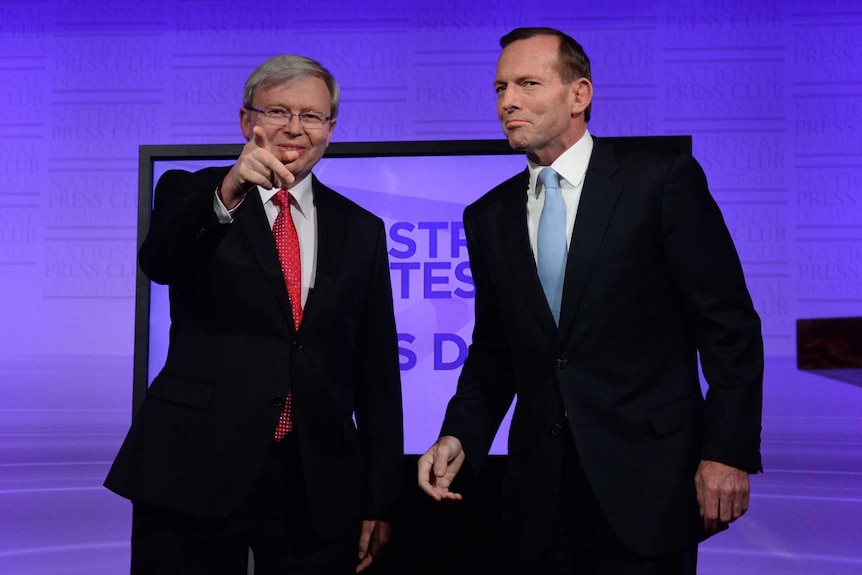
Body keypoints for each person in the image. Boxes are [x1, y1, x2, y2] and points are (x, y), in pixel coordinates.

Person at [418, 27, 763, 575]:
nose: (508, 101)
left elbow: (729, 328)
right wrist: (459, 433)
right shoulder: (488, 216)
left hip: (649, 483)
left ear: (579, 95)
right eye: (500, 87)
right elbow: (495, 351)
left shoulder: (661, 182)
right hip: (539, 493)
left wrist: (726, 452)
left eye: (528, 83)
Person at [106, 55, 404, 575]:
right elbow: (161, 263)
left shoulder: (361, 228)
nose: (294, 128)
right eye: (277, 112)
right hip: (193, 467)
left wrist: (379, 500)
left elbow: (376, 370)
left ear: (330, 130)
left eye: (311, 116)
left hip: (314, 482)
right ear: (247, 122)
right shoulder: (191, 191)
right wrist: (229, 192)